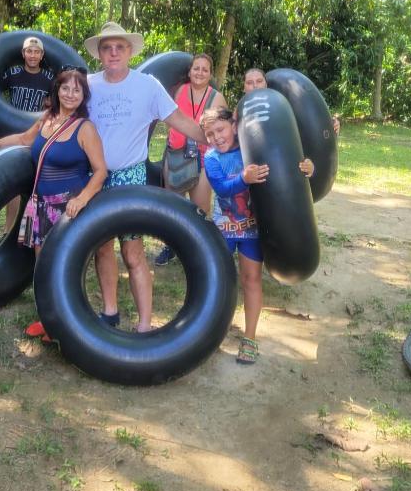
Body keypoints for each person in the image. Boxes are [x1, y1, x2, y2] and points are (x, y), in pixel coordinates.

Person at [83, 22, 208, 333]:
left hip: (131, 176)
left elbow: (179, 120)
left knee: (133, 251)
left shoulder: (147, 86)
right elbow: (60, 120)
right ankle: (110, 311)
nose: (113, 53)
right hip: (96, 176)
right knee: (101, 246)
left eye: (119, 47)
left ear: (129, 52)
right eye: (107, 48)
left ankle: (144, 324)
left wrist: (215, 137)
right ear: (99, 53)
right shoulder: (87, 85)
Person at [0, 67, 107, 339]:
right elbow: (24, 140)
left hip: (68, 208)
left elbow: (100, 171)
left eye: (77, 89)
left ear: (83, 95)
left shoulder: (85, 128)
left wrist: (83, 199)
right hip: (40, 205)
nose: (70, 94)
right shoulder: (46, 119)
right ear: (57, 90)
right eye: (65, 88)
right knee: (43, 264)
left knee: (64, 265)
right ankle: (48, 320)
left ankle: (68, 321)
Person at [200, 107, 314, 364]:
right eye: (209, 134)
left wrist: (308, 165)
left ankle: (249, 338)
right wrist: (244, 178)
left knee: (251, 280)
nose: (216, 137)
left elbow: (286, 161)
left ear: (234, 125)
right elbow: (221, 188)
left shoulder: (252, 147)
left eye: (220, 129)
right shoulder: (211, 158)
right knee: (219, 281)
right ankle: (212, 333)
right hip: (224, 228)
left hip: (252, 228)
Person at [155, 53, 227, 266]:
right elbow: (169, 118)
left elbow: (223, 129)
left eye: (205, 69)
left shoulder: (217, 97)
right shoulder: (179, 91)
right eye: (196, 68)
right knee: (172, 204)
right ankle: (171, 245)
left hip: (204, 158)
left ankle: (198, 248)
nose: (200, 73)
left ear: (210, 74)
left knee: (200, 207)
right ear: (189, 71)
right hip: (176, 154)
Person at [0, 36, 55, 233]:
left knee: (35, 181)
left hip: (38, 135)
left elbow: (54, 103)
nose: (33, 55)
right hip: (14, 133)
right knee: (13, 185)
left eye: (37, 52)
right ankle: (8, 230)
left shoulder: (49, 79)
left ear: (42, 55)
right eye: (29, 51)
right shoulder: (13, 74)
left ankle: (33, 230)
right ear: (23, 54)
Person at [241, 67, 341, 134]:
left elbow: (305, 124)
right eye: (249, 83)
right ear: (243, 88)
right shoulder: (239, 114)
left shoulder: (280, 105)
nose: (255, 86)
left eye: (259, 81)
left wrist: (330, 124)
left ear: (266, 84)